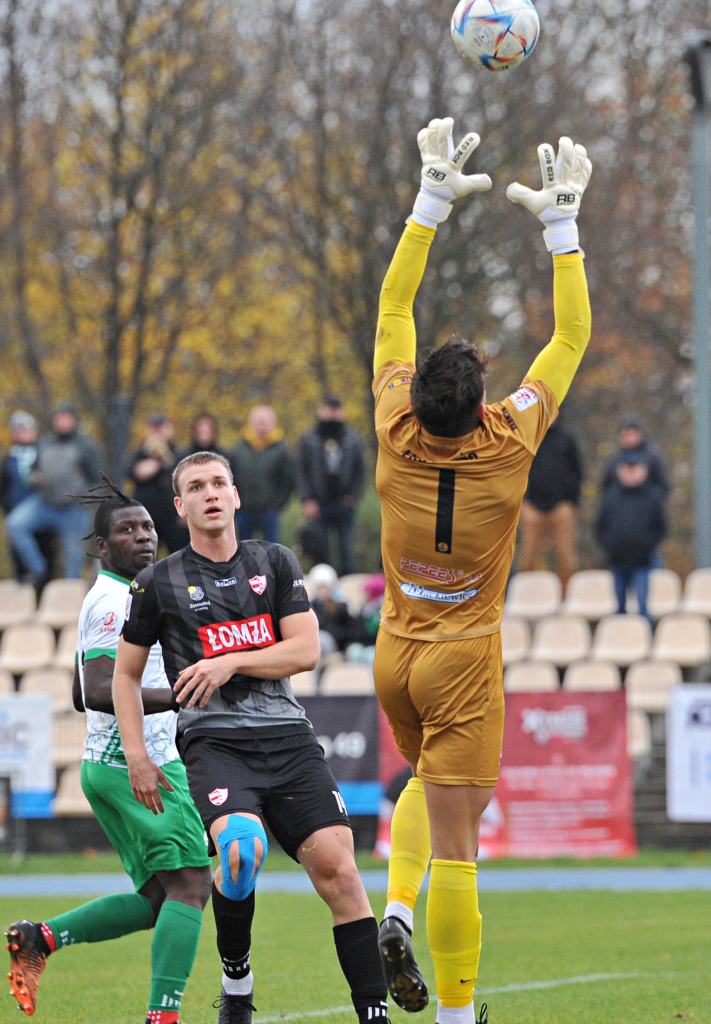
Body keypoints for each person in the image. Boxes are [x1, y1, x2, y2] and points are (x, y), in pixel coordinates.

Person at [371, 119, 592, 1024]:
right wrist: (562, 227)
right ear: (482, 402)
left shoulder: (391, 430)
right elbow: (570, 337)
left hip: (394, 651)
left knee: (425, 790)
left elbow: (392, 310)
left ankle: (393, 908)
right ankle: (460, 1018)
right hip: (463, 657)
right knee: (462, 844)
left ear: (419, 394)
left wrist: (428, 203)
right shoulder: (510, 441)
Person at [112, 450, 389, 1024]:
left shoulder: (276, 560)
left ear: (236, 496)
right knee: (240, 853)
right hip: (215, 744)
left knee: (340, 868)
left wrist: (229, 662)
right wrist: (137, 754)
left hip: (288, 738)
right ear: (180, 505)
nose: (210, 493)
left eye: (220, 483)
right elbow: (125, 675)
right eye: (197, 486)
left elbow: (306, 650)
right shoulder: (157, 582)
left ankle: (374, 1014)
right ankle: (237, 978)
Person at [4, 480, 211, 1024]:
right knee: (192, 884)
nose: (142, 536)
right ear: (102, 545)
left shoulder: (125, 594)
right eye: (127, 529)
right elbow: (97, 689)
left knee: (160, 900)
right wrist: (181, 695)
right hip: (138, 763)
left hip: (112, 763)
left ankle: (39, 939)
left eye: (146, 527)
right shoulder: (114, 599)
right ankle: (162, 1017)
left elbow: (78, 691)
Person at [4, 402, 104, 582]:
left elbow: (98, 478)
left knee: (73, 557)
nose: (62, 422)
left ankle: (69, 597)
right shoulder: (44, 443)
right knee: (15, 524)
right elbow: (34, 470)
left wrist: (83, 496)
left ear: (74, 420)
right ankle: (37, 569)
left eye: (66, 418)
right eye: (59, 418)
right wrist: (36, 478)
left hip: (73, 508)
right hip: (44, 502)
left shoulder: (86, 445)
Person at [296, 396, 366, 575]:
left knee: (346, 548)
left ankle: (348, 585)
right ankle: (322, 588)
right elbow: (301, 471)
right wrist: (308, 499)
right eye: (329, 409)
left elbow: (361, 470)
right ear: (321, 410)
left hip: (344, 501)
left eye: (336, 410)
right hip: (319, 501)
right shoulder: (309, 439)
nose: (333, 414)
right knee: (320, 548)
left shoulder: (353, 439)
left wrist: (354, 495)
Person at [595, 451, 667, 619]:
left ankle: (645, 639)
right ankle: (621, 641)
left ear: (644, 471)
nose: (631, 472)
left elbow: (661, 527)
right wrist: (611, 546)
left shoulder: (652, 497)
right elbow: (600, 527)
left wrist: (647, 546)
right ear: (619, 471)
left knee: (643, 605)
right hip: (617, 560)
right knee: (619, 607)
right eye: (627, 468)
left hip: (643, 561)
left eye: (635, 468)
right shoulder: (610, 497)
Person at [518, 415, 583, 593]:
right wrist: (525, 498)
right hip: (532, 507)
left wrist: (570, 500)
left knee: (566, 558)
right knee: (527, 558)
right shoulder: (530, 438)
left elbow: (577, 473)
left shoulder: (567, 440)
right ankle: (529, 598)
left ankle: (566, 600)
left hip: (561, 507)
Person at [0, 410, 59, 582]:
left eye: (29, 430)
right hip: (18, 516)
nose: (26, 434)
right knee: (20, 563)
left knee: (48, 561)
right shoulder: (8, 460)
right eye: (21, 430)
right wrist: (10, 510)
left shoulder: (45, 455)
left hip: (45, 520)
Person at [230, 404, 295, 543]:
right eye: (258, 422)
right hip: (244, 511)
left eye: (265, 422)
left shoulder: (282, 450)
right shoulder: (239, 449)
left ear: (273, 424)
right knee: (243, 551)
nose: (261, 426)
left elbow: (288, 481)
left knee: (272, 551)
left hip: (269, 512)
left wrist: (277, 505)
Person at [128, 413, 189, 554]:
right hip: (146, 516)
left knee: (179, 556)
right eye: (154, 429)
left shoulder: (179, 453)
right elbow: (136, 472)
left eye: (160, 428)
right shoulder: (140, 453)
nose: (157, 433)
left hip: (173, 516)